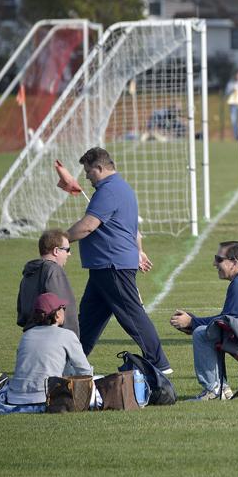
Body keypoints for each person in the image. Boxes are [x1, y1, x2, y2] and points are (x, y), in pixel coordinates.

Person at [66, 147, 171, 373]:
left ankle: (159, 364)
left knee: (132, 314)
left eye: (88, 171)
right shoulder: (120, 188)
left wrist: (60, 241)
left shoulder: (109, 191)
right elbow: (132, 229)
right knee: (89, 320)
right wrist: (138, 250)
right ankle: (73, 364)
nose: (86, 176)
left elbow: (87, 226)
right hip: (104, 266)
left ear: (100, 168)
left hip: (112, 265)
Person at [169, 241, 238, 401]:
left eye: (218, 259)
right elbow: (227, 320)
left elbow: (225, 321)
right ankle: (221, 388)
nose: (214, 263)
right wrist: (193, 321)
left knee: (202, 334)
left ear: (234, 263)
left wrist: (192, 323)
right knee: (207, 331)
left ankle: (214, 390)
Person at [0, 293, 93, 415]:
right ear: (58, 314)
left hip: (14, 398)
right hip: (46, 399)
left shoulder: (26, 335)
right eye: (63, 308)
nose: (64, 310)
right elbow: (85, 372)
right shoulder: (67, 335)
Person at [17, 228, 78, 336]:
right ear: (56, 251)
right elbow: (64, 309)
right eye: (67, 250)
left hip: (30, 334)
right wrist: (73, 338)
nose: (69, 254)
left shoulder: (28, 273)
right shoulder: (54, 270)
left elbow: (22, 313)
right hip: (54, 337)